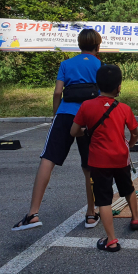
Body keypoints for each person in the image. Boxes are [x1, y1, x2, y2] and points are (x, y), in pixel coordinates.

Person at [12, 29, 103, 231]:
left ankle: (32, 213)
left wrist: (57, 113)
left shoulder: (66, 64)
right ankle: (91, 213)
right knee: (89, 165)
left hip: (65, 114)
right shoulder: (100, 66)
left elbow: (57, 92)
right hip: (90, 117)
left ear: (79, 44)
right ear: (98, 45)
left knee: (48, 158)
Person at [70, 64, 138, 252]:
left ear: (97, 84)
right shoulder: (124, 108)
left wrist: (85, 131)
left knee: (104, 200)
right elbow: (135, 133)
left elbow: (73, 131)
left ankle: (111, 239)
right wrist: (131, 144)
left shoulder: (87, 106)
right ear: (119, 86)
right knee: (128, 188)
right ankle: (135, 218)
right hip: (120, 157)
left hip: (98, 161)